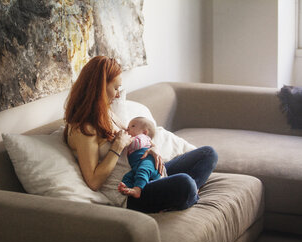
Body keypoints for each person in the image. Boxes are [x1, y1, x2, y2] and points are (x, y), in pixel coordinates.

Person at [64, 55, 218, 213]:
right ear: (99, 87)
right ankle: (189, 194)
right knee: (185, 183)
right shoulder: (84, 129)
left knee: (208, 154)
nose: (118, 94)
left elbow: (133, 138)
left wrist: (153, 148)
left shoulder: (106, 113)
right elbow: (94, 182)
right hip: (131, 192)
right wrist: (116, 147)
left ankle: (186, 194)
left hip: (147, 171)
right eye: (115, 88)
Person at [118, 117, 160, 199]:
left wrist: (126, 139)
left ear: (144, 132)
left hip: (148, 161)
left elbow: (136, 144)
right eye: (128, 127)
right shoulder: (138, 136)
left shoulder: (143, 138)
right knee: (128, 176)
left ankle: (137, 189)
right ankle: (127, 188)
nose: (128, 129)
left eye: (132, 126)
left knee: (142, 170)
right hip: (136, 165)